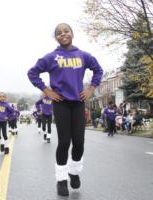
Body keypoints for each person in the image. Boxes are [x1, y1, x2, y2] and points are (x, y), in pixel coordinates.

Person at [27, 23, 103, 196]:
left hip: (78, 102)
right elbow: (32, 73)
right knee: (64, 141)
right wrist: (47, 91)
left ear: (72, 34)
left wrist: (91, 89)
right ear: (56, 38)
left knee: (79, 142)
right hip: (60, 102)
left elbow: (98, 70)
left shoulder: (83, 55)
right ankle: (61, 180)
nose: (63, 35)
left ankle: (74, 172)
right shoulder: (51, 57)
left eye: (66, 31)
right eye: (59, 33)